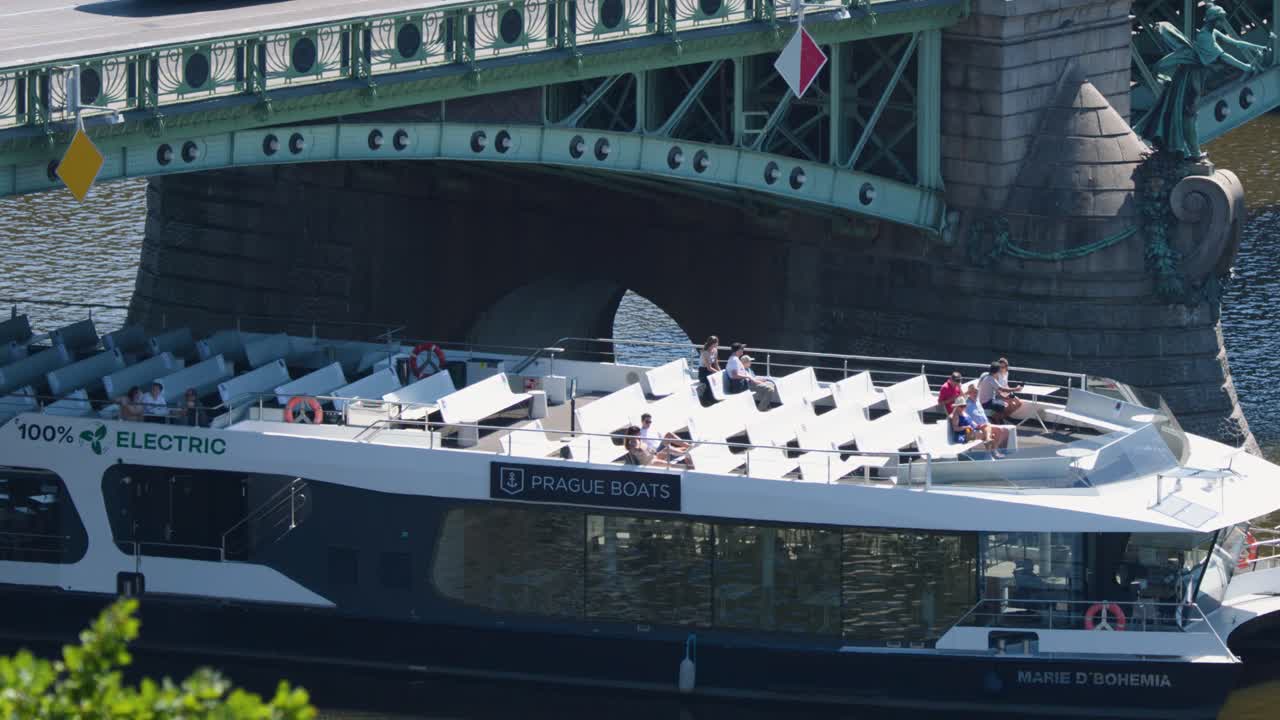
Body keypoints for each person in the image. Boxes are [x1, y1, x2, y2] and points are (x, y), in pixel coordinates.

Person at [964, 385, 1010, 456]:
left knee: (1004, 430)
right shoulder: (965, 404)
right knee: (990, 434)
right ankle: (991, 453)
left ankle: (994, 450)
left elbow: (981, 414)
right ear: (969, 393)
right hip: (975, 428)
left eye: (977, 392)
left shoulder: (977, 401)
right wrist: (975, 426)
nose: (976, 394)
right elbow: (965, 418)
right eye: (974, 392)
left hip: (985, 424)